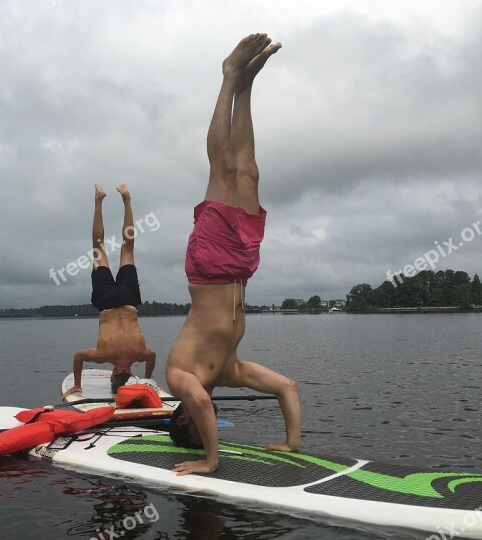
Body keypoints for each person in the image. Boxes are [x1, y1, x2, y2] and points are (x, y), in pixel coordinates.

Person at [165, 34, 302, 475]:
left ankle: (228, 76)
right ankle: (247, 85)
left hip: (209, 266)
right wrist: (291, 443)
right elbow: (287, 387)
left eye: (196, 427)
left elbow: (201, 402)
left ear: (182, 418)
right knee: (248, 170)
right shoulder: (227, 370)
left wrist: (210, 461)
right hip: (242, 268)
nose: (201, 417)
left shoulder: (179, 377)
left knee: (222, 168)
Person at [62, 184, 157, 400]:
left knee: (127, 246)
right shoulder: (102, 355)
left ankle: (126, 198)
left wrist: (147, 379)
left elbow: (152, 357)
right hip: (106, 302)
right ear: (113, 377)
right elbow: (78, 357)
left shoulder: (141, 354)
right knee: (98, 247)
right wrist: (77, 384)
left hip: (129, 301)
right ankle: (99, 199)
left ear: (130, 375)